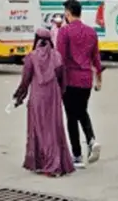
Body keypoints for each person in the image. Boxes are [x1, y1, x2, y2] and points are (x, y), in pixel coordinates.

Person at [12, 28, 76, 177]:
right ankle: (57, 163)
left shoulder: (31, 57)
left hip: (37, 96)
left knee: (39, 129)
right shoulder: (56, 56)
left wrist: (18, 96)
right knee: (53, 128)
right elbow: (62, 78)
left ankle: (45, 164)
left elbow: (25, 81)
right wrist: (61, 92)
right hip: (53, 96)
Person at [55, 0, 103, 168]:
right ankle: (91, 139)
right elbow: (96, 58)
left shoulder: (64, 32)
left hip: (70, 79)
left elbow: (59, 57)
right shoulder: (91, 32)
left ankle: (77, 155)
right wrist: (99, 79)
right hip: (86, 80)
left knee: (71, 116)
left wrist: (56, 78)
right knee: (82, 111)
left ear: (67, 13)